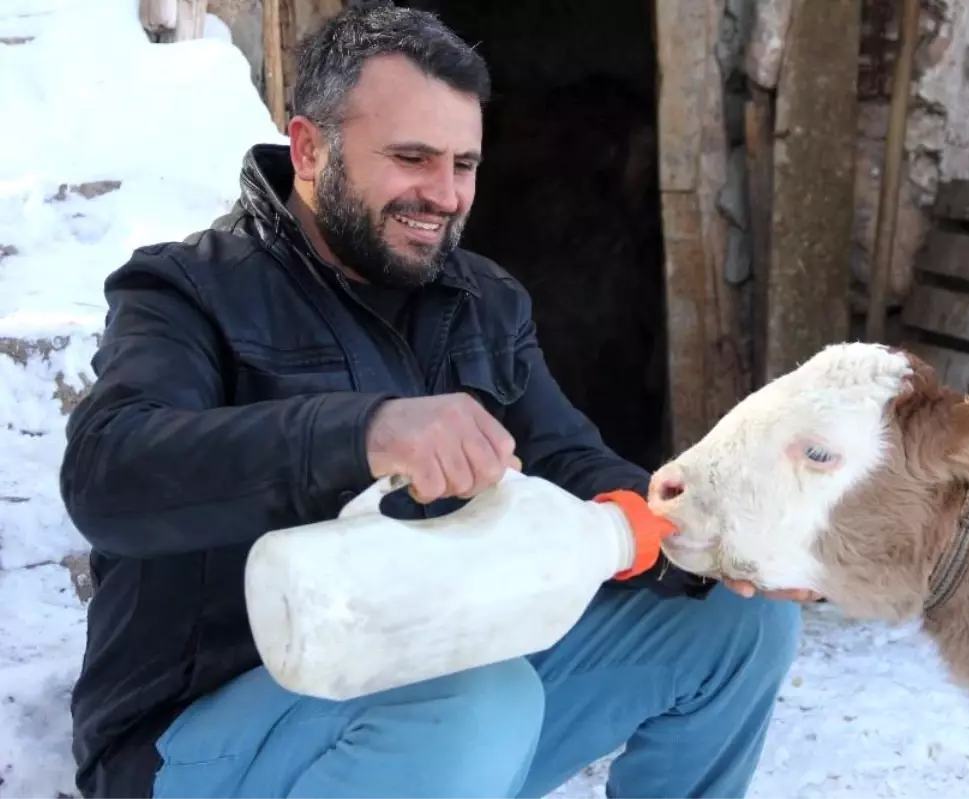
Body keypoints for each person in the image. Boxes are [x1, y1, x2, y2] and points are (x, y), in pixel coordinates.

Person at [59, 6, 812, 799]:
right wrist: (366, 432)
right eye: (413, 158)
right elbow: (110, 471)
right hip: (203, 735)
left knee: (740, 622)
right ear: (310, 148)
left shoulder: (482, 300)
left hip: (430, 687)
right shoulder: (186, 288)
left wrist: (697, 530)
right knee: (480, 698)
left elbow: (563, 460)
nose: (445, 195)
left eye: (464, 164)